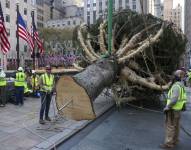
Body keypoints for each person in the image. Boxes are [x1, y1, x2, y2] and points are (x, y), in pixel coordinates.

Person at [160, 70, 187, 149]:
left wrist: (167, 107)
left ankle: (168, 144)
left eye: (173, 75)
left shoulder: (175, 86)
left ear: (176, 77)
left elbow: (174, 99)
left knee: (170, 126)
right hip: (178, 109)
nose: (172, 77)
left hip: (172, 109)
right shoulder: (181, 85)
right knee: (176, 126)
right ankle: (175, 141)